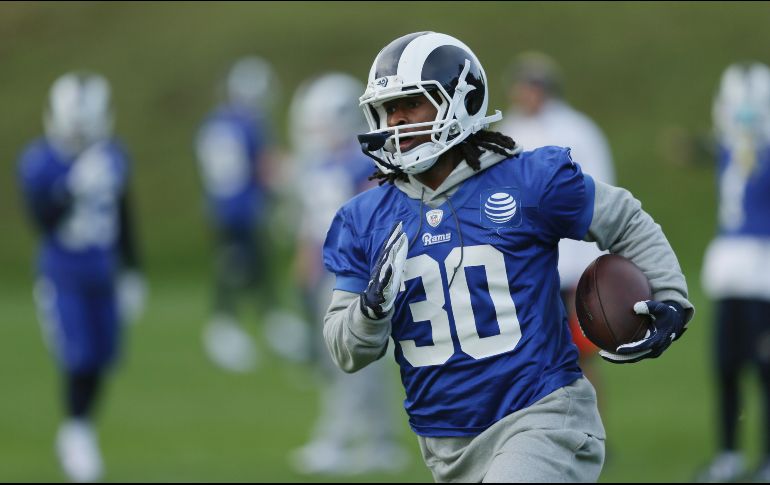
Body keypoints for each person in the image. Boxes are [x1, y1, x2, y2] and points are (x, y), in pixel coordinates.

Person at [322, 31, 694, 482]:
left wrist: (670, 296)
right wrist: (370, 310)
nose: (396, 120)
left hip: (542, 416)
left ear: (460, 101)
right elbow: (346, 351)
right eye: (388, 108)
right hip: (446, 444)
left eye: (411, 104)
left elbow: (625, 219)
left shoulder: (528, 180)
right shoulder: (364, 219)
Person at [17, 71, 146, 483]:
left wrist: (133, 269)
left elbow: (124, 214)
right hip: (63, 276)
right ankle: (77, 437)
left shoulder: (113, 155)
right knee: (80, 356)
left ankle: (78, 431)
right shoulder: (40, 160)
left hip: (103, 274)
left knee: (103, 359)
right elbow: (41, 220)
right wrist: (71, 187)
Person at [284, 72, 408, 475]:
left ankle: (342, 439)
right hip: (327, 273)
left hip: (353, 274)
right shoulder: (320, 164)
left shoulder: (362, 163)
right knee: (340, 360)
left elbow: (370, 219)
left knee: (351, 360)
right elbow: (313, 223)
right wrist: (305, 261)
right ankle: (377, 440)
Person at [498, 51, 616, 415]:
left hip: (573, 262)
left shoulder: (577, 131)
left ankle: (592, 426)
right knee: (530, 352)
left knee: (581, 353)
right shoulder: (509, 132)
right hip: (527, 264)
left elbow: (600, 192)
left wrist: (594, 259)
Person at [697, 61, 770, 483]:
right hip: (729, 276)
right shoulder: (729, 150)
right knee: (726, 366)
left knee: (765, 369)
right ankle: (729, 455)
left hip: (763, 275)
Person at [195, 56, 279, 373]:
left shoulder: (213, 122)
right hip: (243, 207)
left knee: (248, 265)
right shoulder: (249, 124)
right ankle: (226, 326)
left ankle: (269, 318)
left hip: (219, 206)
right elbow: (263, 167)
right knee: (236, 269)